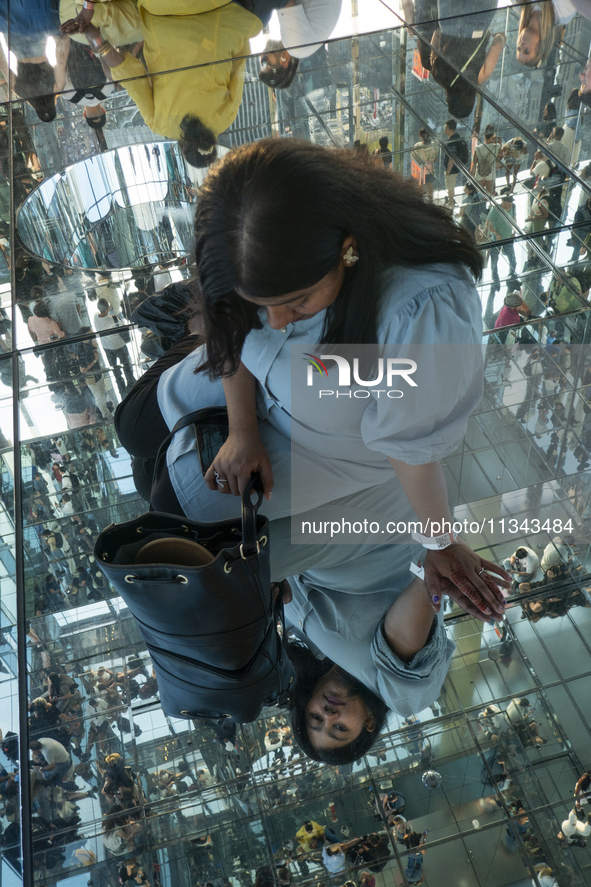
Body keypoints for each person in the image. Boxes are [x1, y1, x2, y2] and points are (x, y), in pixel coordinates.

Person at [115, 139, 509, 762]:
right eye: (264, 302)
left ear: (348, 245)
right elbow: (244, 333)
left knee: (163, 490)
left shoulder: (415, 309)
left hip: (256, 460)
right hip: (219, 406)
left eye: (294, 303)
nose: (277, 320)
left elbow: (405, 439)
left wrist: (434, 544)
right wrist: (243, 429)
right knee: (133, 427)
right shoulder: (265, 259)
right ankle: (179, 346)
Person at [415, 0, 506, 118]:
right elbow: (436, 35)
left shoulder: (479, 78)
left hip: (478, 22)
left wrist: (499, 37)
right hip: (448, 21)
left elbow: (497, 44)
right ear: (449, 100)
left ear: (470, 101)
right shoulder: (438, 75)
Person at [258, 0, 342, 88]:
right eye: (265, 62)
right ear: (284, 62)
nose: (261, 55)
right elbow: (285, 2)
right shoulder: (295, 46)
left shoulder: (299, 49)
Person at [515, 1, 579, 69]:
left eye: (518, 48)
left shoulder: (518, 6)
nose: (521, 45)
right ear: (541, 47)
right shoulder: (563, 13)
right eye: (526, 50)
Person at [93, 298, 135, 397]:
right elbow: (123, 328)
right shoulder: (113, 319)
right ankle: (131, 383)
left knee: (115, 367)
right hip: (119, 345)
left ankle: (121, 389)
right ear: (108, 307)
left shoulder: (95, 316)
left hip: (107, 347)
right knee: (126, 365)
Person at [484, 189, 517, 285]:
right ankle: (495, 279)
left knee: (513, 259)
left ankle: (512, 274)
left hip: (508, 238)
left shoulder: (513, 207)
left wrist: (514, 231)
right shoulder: (496, 209)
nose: (510, 203)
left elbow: (514, 220)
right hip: (496, 240)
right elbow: (487, 224)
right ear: (503, 201)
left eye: (511, 201)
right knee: (494, 260)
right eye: (508, 202)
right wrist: (496, 234)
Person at [442, 118, 467, 205]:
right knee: (451, 187)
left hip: (452, 169)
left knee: (450, 187)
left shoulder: (452, 142)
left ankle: (451, 202)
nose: (444, 130)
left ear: (451, 130)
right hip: (456, 168)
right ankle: (450, 200)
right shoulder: (457, 137)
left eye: (446, 128)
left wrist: (448, 170)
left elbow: (451, 158)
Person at [471, 124, 500, 197]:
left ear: (484, 136)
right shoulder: (497, 147)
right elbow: (499, 158)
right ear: (492, 136)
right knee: (490, 193)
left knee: (479, 192)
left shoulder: (478, 148)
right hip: (490, 171)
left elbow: (475, 160)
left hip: (480, 171)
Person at [411, 128, 438, 201]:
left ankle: (421, 203)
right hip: (430, 170)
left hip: (420, 171)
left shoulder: (417, 146)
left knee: (421, 190)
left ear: (420, 136)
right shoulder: (434, 146)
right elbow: (435, 159)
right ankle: (430, 202)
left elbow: (413, 157)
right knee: (430, 189)